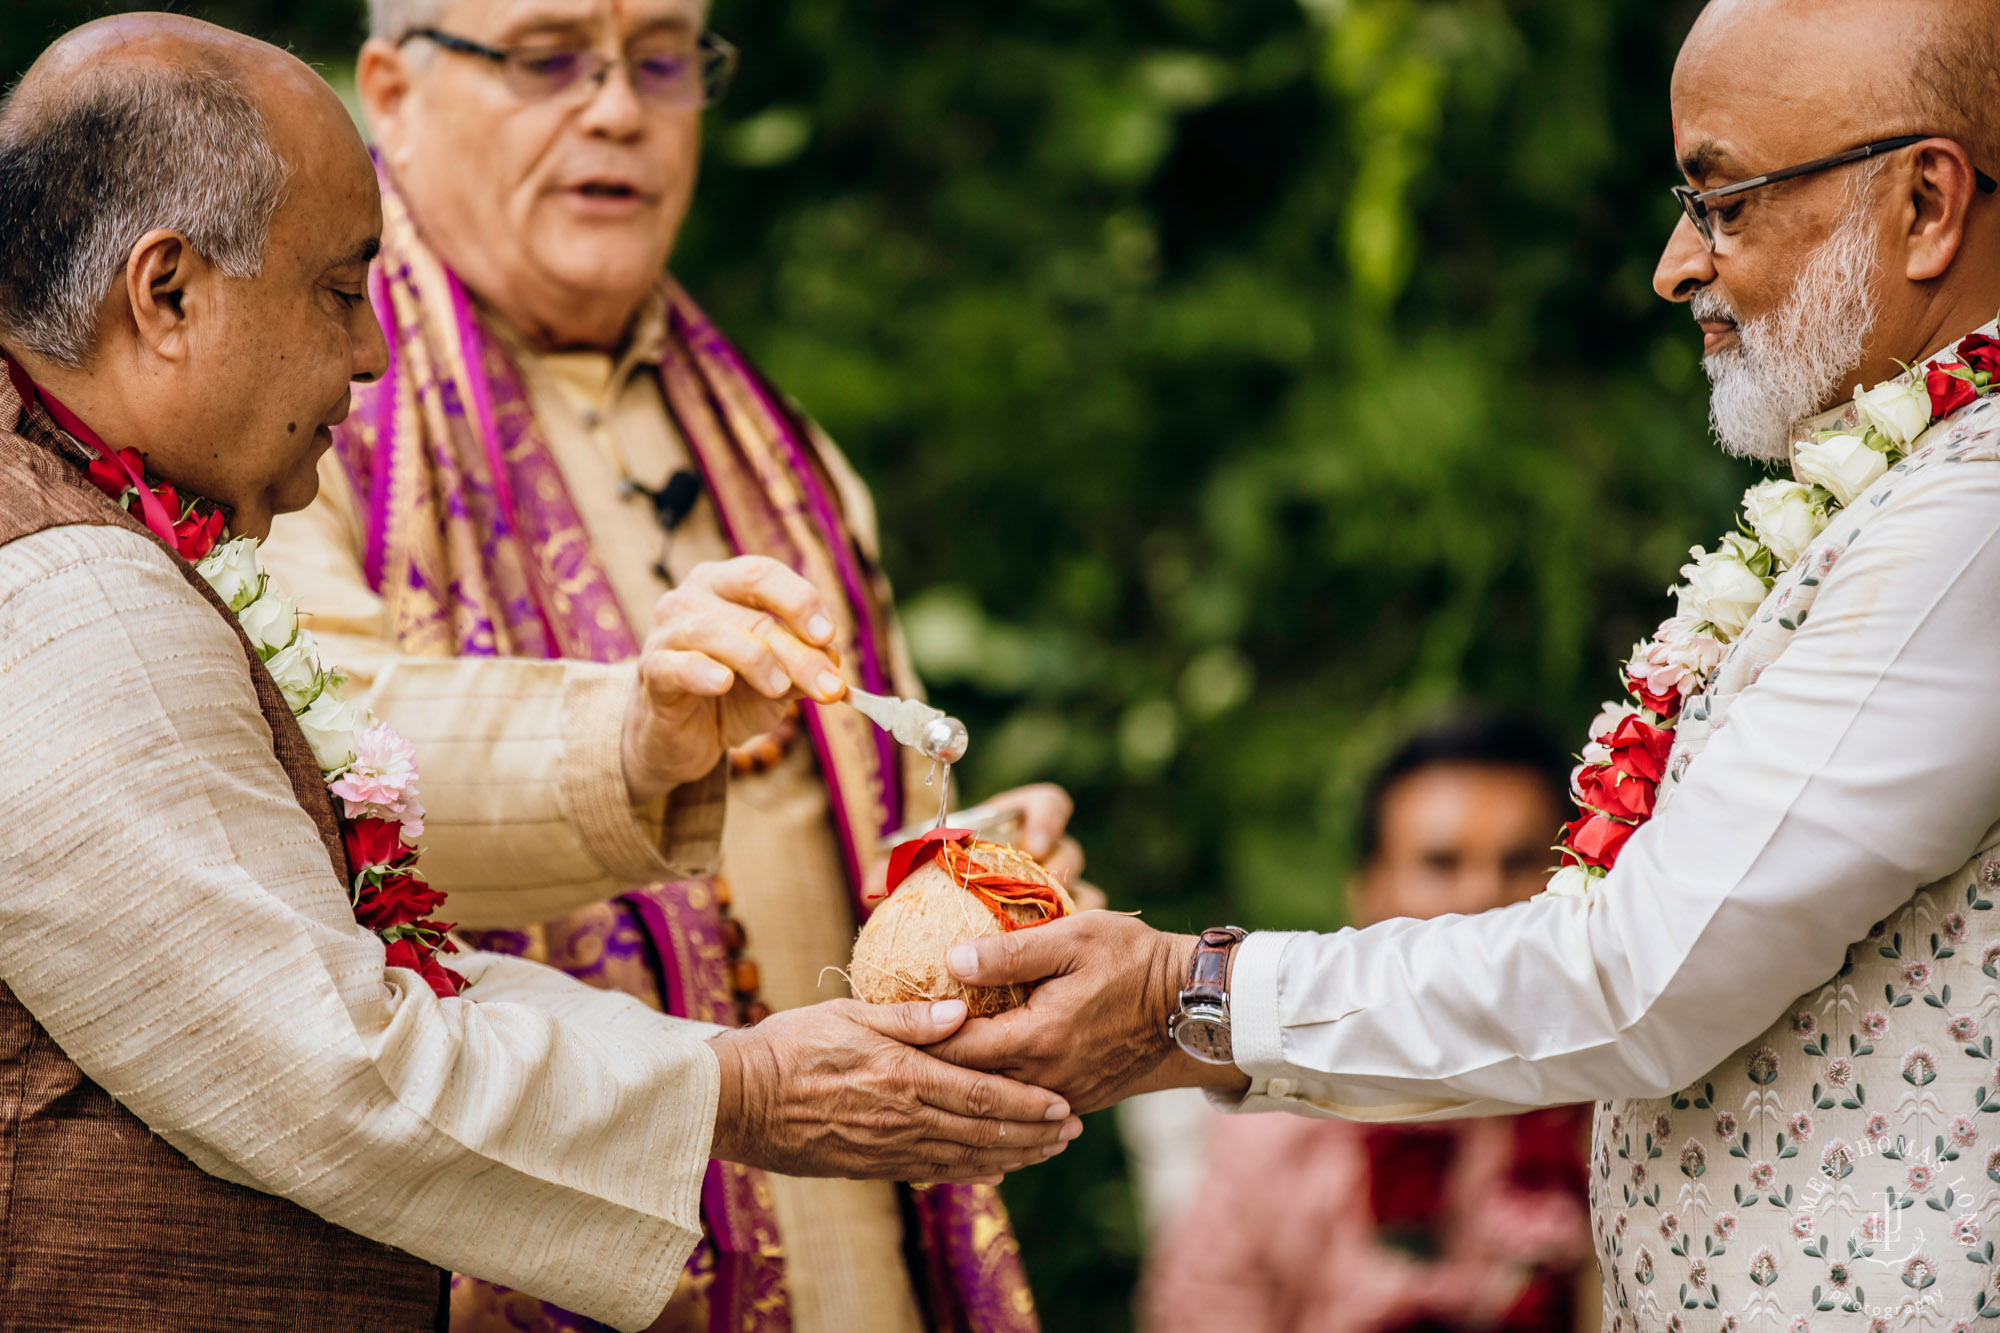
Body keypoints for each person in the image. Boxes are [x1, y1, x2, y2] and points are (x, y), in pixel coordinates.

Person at [929, 0, 2000, 1326]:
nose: (1676, 265)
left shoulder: (1978, 518)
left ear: (1926, 205)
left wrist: (1179, 1000)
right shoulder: (1912, 497)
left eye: (1723, 202)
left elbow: (1640, 975)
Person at [0, 15, 1078, 1332]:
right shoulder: (127, 532)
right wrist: (634, 753)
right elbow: (322, 981)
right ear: (393, 88)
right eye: (553, 54)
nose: (619, 110)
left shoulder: (773, 442)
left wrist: (966, 890)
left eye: (665, 57)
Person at [1141, 715, 1595, 1333]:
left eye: (1520, 862)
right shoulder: (1278, 1112)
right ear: (1369, 894)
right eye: (1442, 863)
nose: (1485, 896)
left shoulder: (1617, 1102)